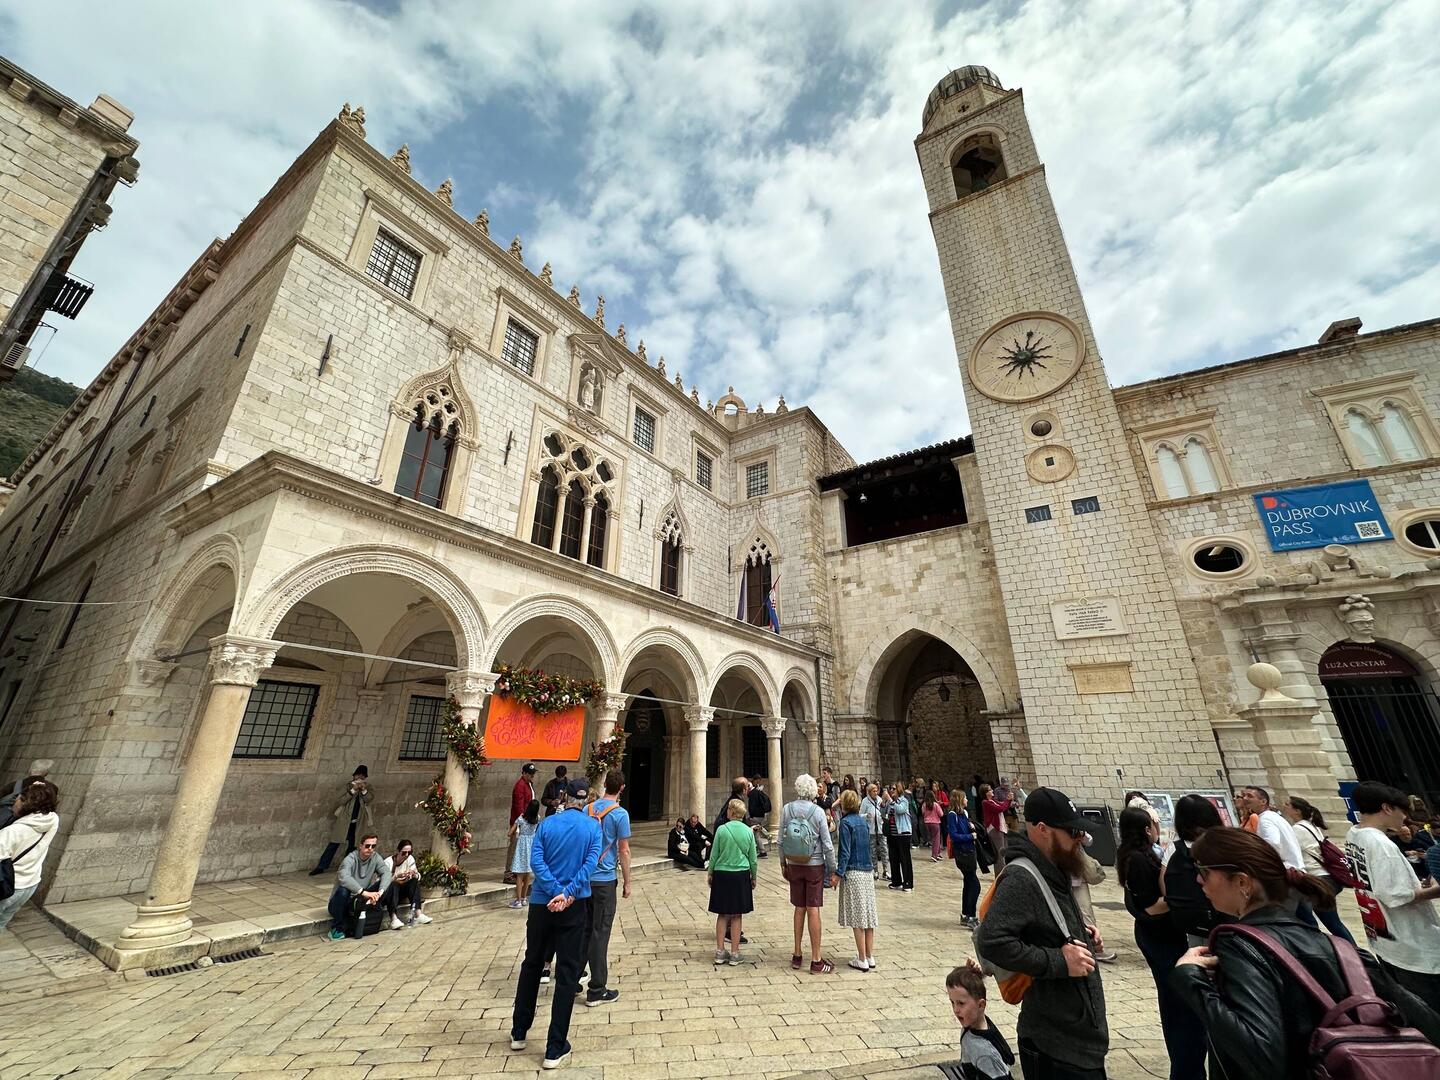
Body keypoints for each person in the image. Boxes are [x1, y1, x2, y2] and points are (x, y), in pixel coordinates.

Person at [1171, 826, 1440, 1078]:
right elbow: (1427, 1023)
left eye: (1204, 872)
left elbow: (1260, 1056)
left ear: (1243, 882)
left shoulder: (1238, 946)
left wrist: (1190, 979)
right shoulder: (1342, 949)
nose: (1198, 880)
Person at [974, 787, 1108, 1080]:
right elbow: (992, 940)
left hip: (1077, 1042)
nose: (1079, 839)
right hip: (1056, 1045)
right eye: (1072, 831)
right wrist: (1059, 961)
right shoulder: (1023, 877)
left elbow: (1045, 923)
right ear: (1043, 829)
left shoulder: (1054, 867)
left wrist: (1081, 934)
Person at [509, 777, 603, 1071]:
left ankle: (519, 1032)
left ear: (565, 798)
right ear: (586, 800)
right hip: (573, 906)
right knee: (566, 973)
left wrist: (552, 890)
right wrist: (568, 892)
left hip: (541, 903)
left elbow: (536, 861)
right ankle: (554, 1047)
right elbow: (590, 864)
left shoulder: (548, 824)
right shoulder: (592, 827)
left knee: (532, 964)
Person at [1116, 807, 1204, 1080]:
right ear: (1145, 829)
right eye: (1154, 823)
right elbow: (1150, 906)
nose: (1158, 826)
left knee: (1178, 1005)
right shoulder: (1139, 860)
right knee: (1178, 1005)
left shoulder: (1146, 855)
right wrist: (1185, 899)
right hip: (1159, 937)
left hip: (1161, 935)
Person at [1345, 780, 1440, 1011]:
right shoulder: (1380, 843)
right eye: (1402, 812)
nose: (1404, 819)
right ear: (1387, 808)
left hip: (1382, 936)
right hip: (1411, 943)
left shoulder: (1353, 833)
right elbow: (1395, 895)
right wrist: (1436, 889)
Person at [582, 769, 631, 1008]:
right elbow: (624, 850)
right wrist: (628, 882)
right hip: (604, 880)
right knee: (600, 933)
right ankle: (596, 989)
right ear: (621, 787)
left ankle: (571, 981)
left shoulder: (587, 809)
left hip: (583, 879)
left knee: (583, 931)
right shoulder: (620, 814)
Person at [780, 773, 837, 975]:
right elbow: (827, 845)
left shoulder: (787, 809)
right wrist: (833, 869)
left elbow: (780, 840)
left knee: (799, 908)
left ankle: (797, 955)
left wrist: (783, 864)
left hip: (794, 863)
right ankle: (816, 960)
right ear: (813, 790)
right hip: (814, 865)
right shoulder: (818, 812)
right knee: (813, 909)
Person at [1282, 794, 1356, 945]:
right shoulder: (1310, 826)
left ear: (1297, 811)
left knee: (1332, 923)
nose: (1284, 806)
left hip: (1319, 878)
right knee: (1329, 921)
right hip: (1328, 877)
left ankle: (1357, 954)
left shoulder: (1297, 829)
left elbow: (1288, 851)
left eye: (1287, 805)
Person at [1162, 793, 1224, 947]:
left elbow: (1164, 885)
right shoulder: (1224, 842)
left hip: (1193, 921)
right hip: (1227, 916)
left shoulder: (1175, 848)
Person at [0, 778, 59, 929]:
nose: (14, 802)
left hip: (7, 887)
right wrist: (39, 790)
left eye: (19, 798)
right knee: (2, 921)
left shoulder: (12, 832)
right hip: (29, 885)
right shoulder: (52, 820)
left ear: (26, 803)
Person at [708, 797, 757, 965]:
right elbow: (753, 859)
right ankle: (735, 953)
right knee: (736, 915)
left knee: (723, 914)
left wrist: (710, 872)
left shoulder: (721, 830)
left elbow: (714, 854)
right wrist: (754, 876)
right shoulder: (748, 831)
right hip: (740, 875)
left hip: (722, 874)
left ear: (732, 812)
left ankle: (720, 951)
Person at [947, 961, 1014, 1079]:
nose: (955, 1010)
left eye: (961, 1003)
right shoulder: (972, 1024)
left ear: (981, 1005)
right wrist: (972, 974)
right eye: (952, 1002)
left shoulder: (985, 1054)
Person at [836, 788, 878, 971]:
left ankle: (861, 958)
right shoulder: (863, 822)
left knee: (858, 918)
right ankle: (869, 955)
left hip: (853, 872)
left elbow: (844, 852)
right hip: (867, 872)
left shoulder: (845, 823)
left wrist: (838, 873)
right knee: (868, 916)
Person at [325, 834, 391, 941]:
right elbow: (344, 877)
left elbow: (386, 873)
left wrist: (380, 892)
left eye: (373, 846)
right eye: (367, 846)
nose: (370, 849)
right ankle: (336, 928)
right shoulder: (350, 858)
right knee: (343, 890)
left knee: (387, 884)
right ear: (360, 846)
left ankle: (375, 910)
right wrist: (363, 892)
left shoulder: (375, 858)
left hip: (358, 901)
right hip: (340, 904)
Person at [310, 765, 373, 875]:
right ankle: (322, 866)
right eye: (358, 775)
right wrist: (353, 791)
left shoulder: (368, 787)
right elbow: (341, 801)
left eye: (362, 776)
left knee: (353, 846)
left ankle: (346, 867)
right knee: (334, 843)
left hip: (358, 822)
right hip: (345, 820)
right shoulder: (348, 786)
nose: (360, 778)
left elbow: (369, 799)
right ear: (354, 775)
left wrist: (363, 790)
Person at [947, 789, 981, 927]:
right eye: (965, 798)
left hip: (970, 851)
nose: (967, 800)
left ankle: (966, 914)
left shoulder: (965, 814)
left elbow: (965, 829)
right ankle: (971, 916)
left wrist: (971, 827)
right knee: (975, 884)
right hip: (962, 853)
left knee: (968, 883)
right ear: (960, 800)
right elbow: (954, 835)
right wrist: (970, 836)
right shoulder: (952, 815)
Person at [380, 838, 430, 929]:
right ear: (398, 851)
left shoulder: (410, 859)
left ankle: (418, 914)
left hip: (403, 888)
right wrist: (396, 876)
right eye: (404, 853)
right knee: (394, 884)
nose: (406, 855)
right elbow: (382, 883)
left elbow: (418, 877)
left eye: (409, 852)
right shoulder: (388, 862)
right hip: (390, 891)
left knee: (414, 882)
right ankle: (393, 918)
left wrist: (414, 874)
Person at [505, 762, 538, 884]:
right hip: (521, 823)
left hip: (528, 821)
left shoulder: (529, 784)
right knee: (514, 847)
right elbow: (519, 807)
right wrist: (522, 821)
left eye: (532, 774)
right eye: (529, 774)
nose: (531, 776)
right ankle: (508, 873)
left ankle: (517, 871)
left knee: (522, 848)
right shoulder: (520, 786)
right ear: (523, 773)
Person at [509, 799, 541, 906]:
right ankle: (523, 898)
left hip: (522, 845)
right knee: (528, 874)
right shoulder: (537, 819)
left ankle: (517, 900)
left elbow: (510, 833)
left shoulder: (522, 818)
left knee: (519, 875)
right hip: (532, 845)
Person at [886, 784, 915, 891]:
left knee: (905, 859)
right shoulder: (891, 802)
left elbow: (900, 810)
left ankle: (908, 883)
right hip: (893, 834)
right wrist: (885, 804)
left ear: (899, 790)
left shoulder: (904, 801)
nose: (891, 790)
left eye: (893, 789)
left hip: (903, 833)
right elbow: (885, 813)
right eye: (890, 789)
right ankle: (896, 881)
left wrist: (890, 801)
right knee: (894, 858)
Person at [980, 783, 1012, 872]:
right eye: (990, 790)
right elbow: (999, 809)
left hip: (1001, 828)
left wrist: (1008, 800)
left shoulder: (993, 800)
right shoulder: (986, 802)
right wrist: (1008, 800)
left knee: (1004, 851)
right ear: (986, 793)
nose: (992, 791)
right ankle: (1000, 875)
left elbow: (1003, 806)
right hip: (994, 829)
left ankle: (1004, 872)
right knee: (999, 853)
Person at [861, 783, 887, 881]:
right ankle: (875, 870)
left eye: (876, 791)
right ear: (869, 792)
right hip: (871, 829)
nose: (875, 793)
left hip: (881, 828)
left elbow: (884, 811)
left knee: (884, 849)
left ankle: (885, 870)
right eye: (873, 791)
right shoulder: (865, 801)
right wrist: (866, 816)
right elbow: (860, 814)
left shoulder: (880, 800)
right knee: (873, 851)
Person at [747, 775, 772, 857]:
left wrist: (752, 816)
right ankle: (766, 839)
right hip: (761, 815)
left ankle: (762, 851)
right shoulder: (759, 792)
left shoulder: (753, 794)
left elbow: (752, 807)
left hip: (755, 816)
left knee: (754, 832)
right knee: (757, 830)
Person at [923, 791, 945, 862]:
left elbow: (923, 813)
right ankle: (934, 855)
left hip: (927, 823)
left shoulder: (924, 805)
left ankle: (938, 854)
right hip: (935, 823)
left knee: (933, 839)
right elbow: (941, 814)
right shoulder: (936, 804)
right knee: (936, 839)